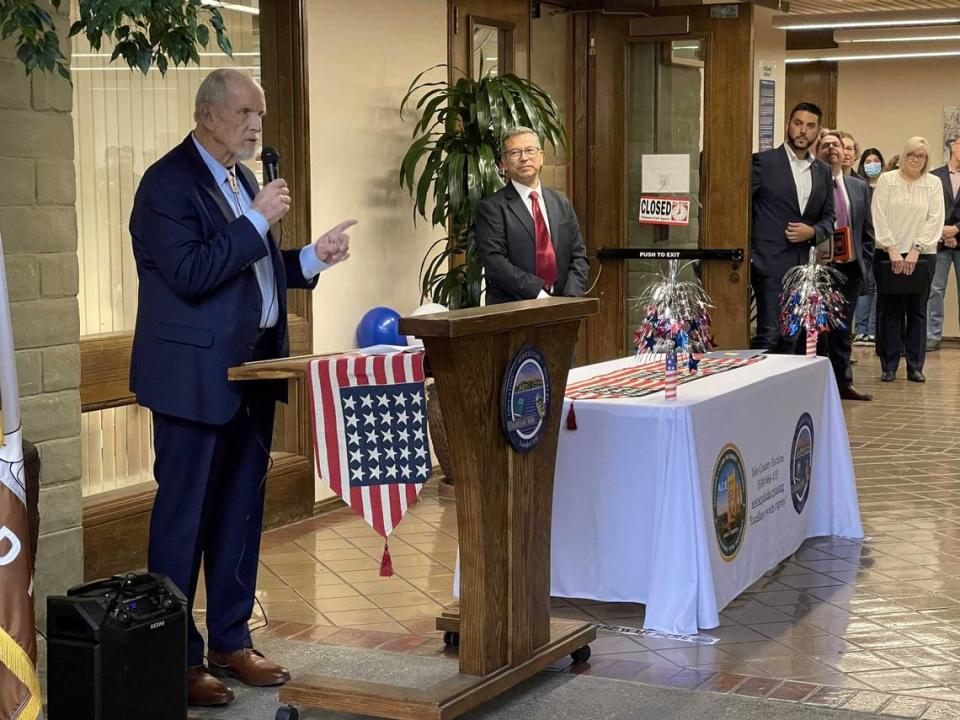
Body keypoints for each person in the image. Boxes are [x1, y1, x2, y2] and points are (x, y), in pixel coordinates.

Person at [128, 69, 355, 707]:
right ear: (207, 115)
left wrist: (311, 258)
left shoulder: (242, 180)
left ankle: (230, 639)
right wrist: (255, 219)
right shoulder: (166, 184)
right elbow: (193, 272)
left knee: (238, 515)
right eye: (246, 113)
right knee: (183, 522)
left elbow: (250, 271)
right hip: (191, 382)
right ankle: (174, 656)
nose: (258, 125)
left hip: (252, 376)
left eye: (260, 113)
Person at [750, 102, 836, 352]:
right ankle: (763, 390)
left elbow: (829, 218)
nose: (803, 131)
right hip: (768, 263)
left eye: (810, 126)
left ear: (817, 132)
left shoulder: (822, 170)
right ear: (788, 125)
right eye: (798, 124)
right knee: (770, 334)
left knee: (794, 336)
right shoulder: (762, 163)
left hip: (804, 266)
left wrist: (813, 232)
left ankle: (789, 391)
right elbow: (741, 210)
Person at [476, 126, 589, 304]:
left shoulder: (561, 203)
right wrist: (539, 295)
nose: (524, 158)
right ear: (504, 162)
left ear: (541, 156)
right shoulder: (492, 208)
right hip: (514, 311)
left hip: (563, 310)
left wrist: (569, 298)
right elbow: (496, 263)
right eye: (515, 152)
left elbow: (578, 256)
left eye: (530, 150)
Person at [872, 136, 944, 382]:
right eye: (912, 154)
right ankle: (889, 365)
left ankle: (915, 366)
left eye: (921, 156)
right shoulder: (886, 180)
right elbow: (878, 215)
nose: (916, 160)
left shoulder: (933, 183)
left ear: (927, 159)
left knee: (917, 311)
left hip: (922, 256)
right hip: (888, 253)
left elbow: (935, 219)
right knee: (890, 310)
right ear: (903, 156)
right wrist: (892, 249)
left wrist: (916, 250)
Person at [816, 132, 875, 400]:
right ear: (818, 152)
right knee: (819, 329)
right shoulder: (814, 183)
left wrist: (865, 260)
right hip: (820, 268)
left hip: (850, 268)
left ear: (845, 152)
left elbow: (867, 230)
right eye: (825, 145)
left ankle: (843, 384)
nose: (832, 149)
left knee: (843, 329)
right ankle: (818, 384)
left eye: (836, 145)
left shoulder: (858, 186)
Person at [925, 136, 960, 352]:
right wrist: (942, 232)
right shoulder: (935, 176)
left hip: (959, 237)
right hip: (938, 243)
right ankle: (932, 335)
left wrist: (957, 229)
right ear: (954, 146)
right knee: (935, 290)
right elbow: (927, 209)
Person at [853, 147, 885, 346]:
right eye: (868, 161)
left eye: (876, 160)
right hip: (863, 243)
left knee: (878, 288)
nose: (872, 164)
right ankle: (860, 330)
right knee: (864, 287)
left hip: (881, 243)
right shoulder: (858, 185)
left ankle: (873, 330)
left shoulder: (886, 184)